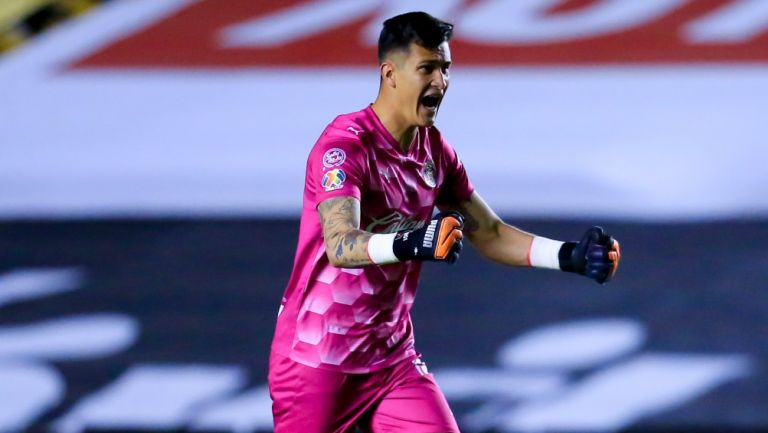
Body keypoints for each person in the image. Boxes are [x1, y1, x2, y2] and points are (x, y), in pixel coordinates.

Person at [268, 11, 621, 433]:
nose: (440, 82)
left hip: (390, 360)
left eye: (445, 68)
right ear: (390, 74)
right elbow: (341, 244)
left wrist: (568, 256)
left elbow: (488, 232)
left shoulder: (434, 150)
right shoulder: (344, 148)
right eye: (427, 69)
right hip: (317, 359)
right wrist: (411, 243)